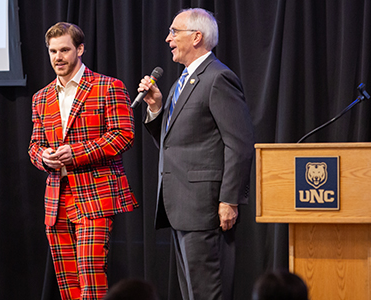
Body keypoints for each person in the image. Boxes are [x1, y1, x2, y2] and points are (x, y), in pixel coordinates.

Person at [138, 8, 255, 300]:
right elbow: (175, 143)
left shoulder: (218, 78)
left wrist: (229, 199)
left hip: (205, 209)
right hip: (181, 207)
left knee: (207, 292)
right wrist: (156, 108)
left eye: (174, 32)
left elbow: (239, 145)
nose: (168, 39)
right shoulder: (183, 80)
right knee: (192, 292)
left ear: (197, 36)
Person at [28, 22, 137, 299]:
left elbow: (123, 135)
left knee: (90, 272)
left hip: (94, 195)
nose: (58, 57)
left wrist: (76, 153)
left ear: (80, 49)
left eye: (64, 49)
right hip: (57, 198)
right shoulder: (41, 97)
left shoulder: (108, 86)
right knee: (68, 280)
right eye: (53, 51)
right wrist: (44, 157)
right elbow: (34, 146)